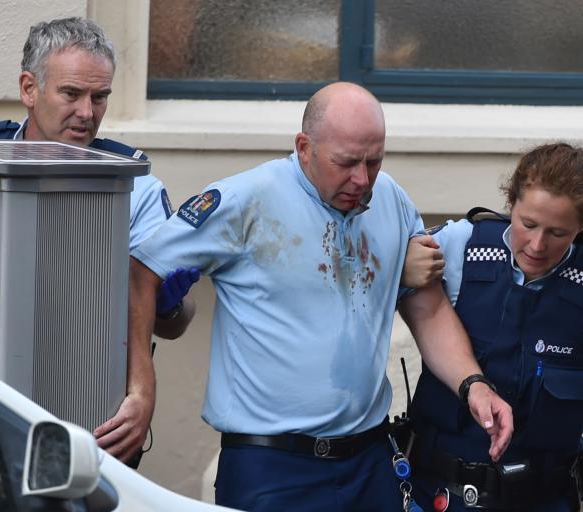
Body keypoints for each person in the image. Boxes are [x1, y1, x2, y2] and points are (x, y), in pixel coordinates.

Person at [128, 81, 513, 511]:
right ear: (304, 146)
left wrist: (473, 384)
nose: (362, 179)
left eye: (374, 161)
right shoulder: (245, 200)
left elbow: (429, 309)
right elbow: (140, 270)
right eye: (346, 162)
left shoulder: (391, 200)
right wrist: (142, 388)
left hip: (370, 460)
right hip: (271, 466)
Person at [0, 17, 198, 466]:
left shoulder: (135, 186)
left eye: (100, 96)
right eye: (71, 94)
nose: (88, 113)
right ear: (30, 89)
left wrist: (166, 301)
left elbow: (176, 321)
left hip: (90, 418)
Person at [404, 143, 583, 511]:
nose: (536, 244)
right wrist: (399, 266)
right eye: (527, 224)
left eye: (558, 232)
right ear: (510, 203)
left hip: (543, 497)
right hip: (436, 492)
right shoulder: (461, 245)